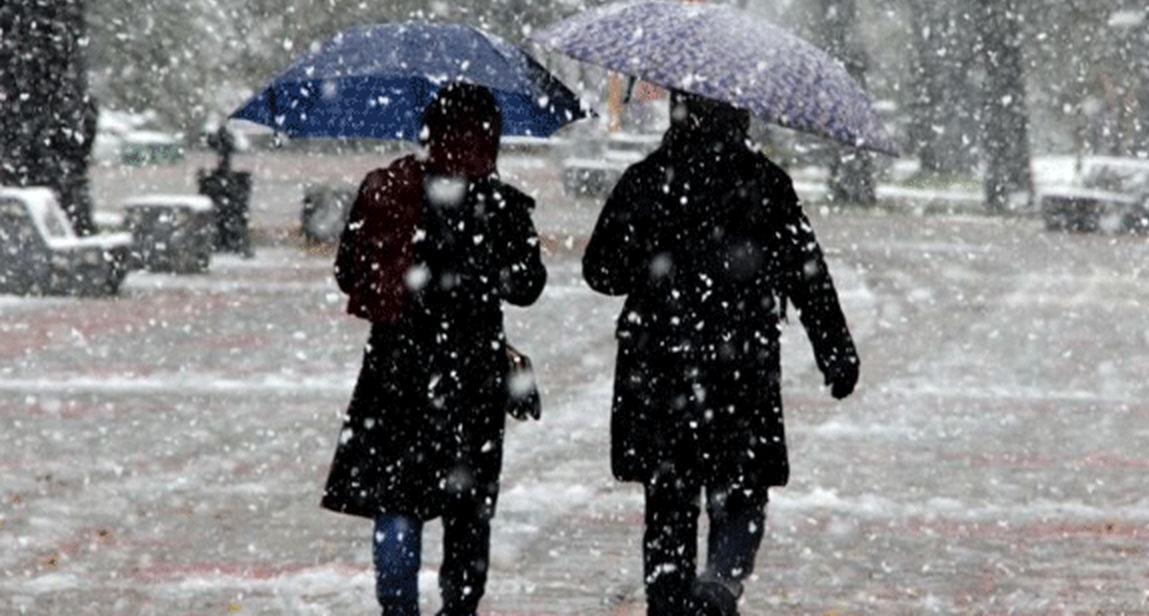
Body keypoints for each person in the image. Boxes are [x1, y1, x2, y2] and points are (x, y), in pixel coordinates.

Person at [582, 91, 860, 616]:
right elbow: (808, 273)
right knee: (742, 490)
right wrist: (835, 350)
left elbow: (601, 271)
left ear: (677, 113)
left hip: (660, 366)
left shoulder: (646, 180)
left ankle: (669, 602)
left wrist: (651, 253)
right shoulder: (765, 184)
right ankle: (721, 584)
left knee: (669, 502)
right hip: (740, 365)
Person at [321, 82, 547, 616]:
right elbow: (528, 287)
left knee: (397, 498)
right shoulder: (502, 204)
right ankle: (459, 607)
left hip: (396, 367)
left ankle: (398, 604)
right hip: (473, 371)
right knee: (467, 508)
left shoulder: (386, 190)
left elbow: (347, 273)